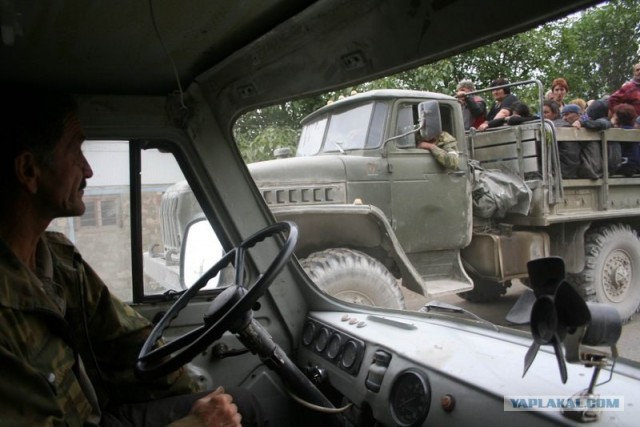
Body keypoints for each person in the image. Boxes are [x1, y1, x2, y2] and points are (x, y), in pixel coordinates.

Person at [0, 85, 263, 426]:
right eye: (75, 150)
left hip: (96, 412)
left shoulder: (56, 258)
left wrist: (194, 385)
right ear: (29, 171)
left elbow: (125, 336)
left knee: (239, 404)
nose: (89, 169)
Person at [612, 103, 640, 177]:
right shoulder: (635, 131)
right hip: (635, 167)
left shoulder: (614, 133)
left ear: (618, 117)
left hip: (622, 167)